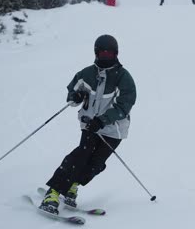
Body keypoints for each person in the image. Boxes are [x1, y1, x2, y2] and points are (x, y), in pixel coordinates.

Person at [39, 34, 137, 215]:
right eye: (102, 53)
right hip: (90, 125)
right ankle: (53, 192)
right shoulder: (86, 74)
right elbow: (73, 91)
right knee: (80, 156)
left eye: (109, 53)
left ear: (116, 54)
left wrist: (103, 120)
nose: (105, 57)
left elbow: (125, 103)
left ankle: (72, 186)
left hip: (114, 129)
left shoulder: (123, 77)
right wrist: (74, 97)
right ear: (96, 53)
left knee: (96, 163)